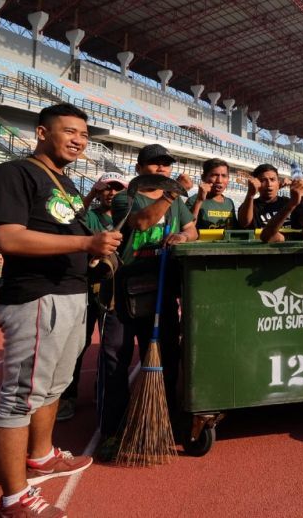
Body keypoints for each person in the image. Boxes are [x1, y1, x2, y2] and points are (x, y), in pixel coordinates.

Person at [0, 103, 122, 517]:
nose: (79, 139)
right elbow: (8, 238)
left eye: (84, 133)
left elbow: (68, 237)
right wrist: (85, 245)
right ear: (42, 132)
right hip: (39, 299)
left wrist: (96, 258)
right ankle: (13, 500)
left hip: (71, 296)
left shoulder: (66, 183)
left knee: (53, 388)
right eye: (69, 131)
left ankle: (41, 456)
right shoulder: (13, 174)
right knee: (19, 400)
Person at [97, 144, 198, 460]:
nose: (162, 169)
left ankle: (160, 421)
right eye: (155, 164)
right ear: (140, 168)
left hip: (163, 291)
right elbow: (140, 223)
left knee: (167, 358)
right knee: (115, 361)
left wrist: (182, 237)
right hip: (125, 294)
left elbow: (191, 229)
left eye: (166, 165)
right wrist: (172, 193)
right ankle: (112, 431)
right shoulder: (129, 195)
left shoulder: (178, 203)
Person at [58, 172, 128, 423]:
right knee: (78, 344)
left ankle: (103, 389)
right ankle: (67, 395)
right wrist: (89, 193)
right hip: (88, 288)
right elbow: (70, 218)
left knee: (111, 346)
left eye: (117, 188)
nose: (111, 192)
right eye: (106, 188)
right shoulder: (89, 214)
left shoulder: (129, 216)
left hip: (116, 290)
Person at [238, 163, 291, 230]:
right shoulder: (251, 205)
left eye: (272, 179)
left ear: (278, 182)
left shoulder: (287, 202)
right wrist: (250, 195)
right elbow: (244, 223)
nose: (269, 184)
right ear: (256, 183)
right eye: (263, 180)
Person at [189, 158, 238, 230]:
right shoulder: (193, 200)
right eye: (214, 175)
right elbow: (188, 228)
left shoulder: (229, 202)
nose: (219, 180)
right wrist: (199, 201)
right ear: (203, 177)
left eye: (224, 176)